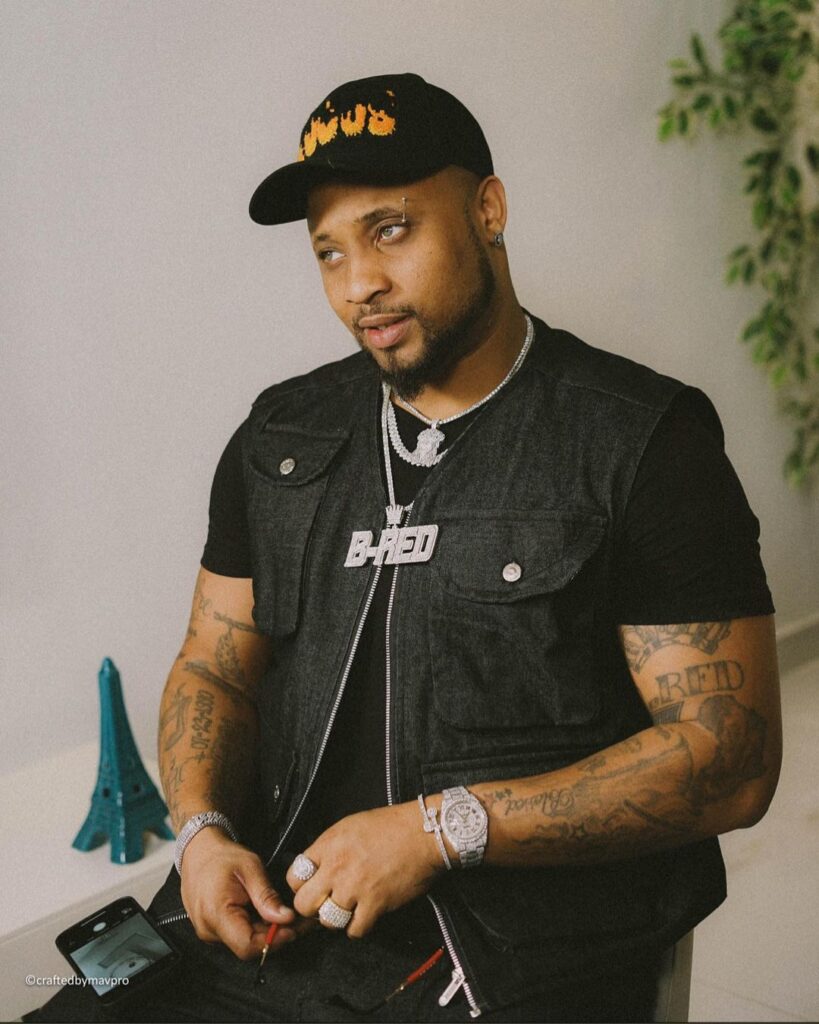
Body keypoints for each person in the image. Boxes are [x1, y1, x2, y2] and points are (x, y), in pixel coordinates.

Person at [31, 72, 781, 1023]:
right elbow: (214, 666)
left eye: (391, 230)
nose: (359, 285)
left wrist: (440, 831)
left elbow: (729, 759)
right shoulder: (280, 438)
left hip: (513, 951)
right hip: (272, 916)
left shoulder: (640, 441)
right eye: (329, 251)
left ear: (488, 211)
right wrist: (204, 835)